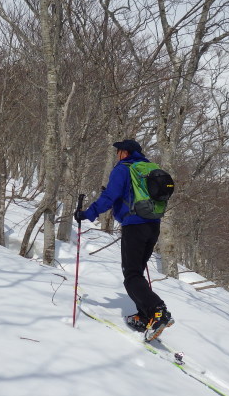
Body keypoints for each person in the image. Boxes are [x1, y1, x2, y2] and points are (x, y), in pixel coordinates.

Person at [74, 139, 174, 341]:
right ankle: (145, 316)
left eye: (118, 151)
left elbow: (110, 197)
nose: (117, 154)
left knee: (131, 275)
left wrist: (87, 214)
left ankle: (157, 312)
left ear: (125, 153)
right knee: (136, 272)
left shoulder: (123, 169)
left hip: (134, 226)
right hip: (153, 225)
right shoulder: (150, 168)